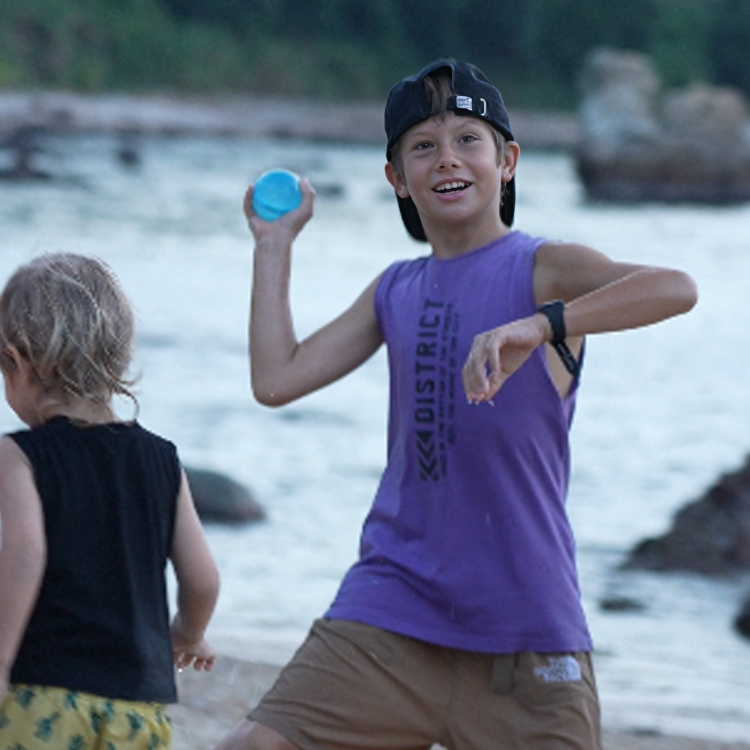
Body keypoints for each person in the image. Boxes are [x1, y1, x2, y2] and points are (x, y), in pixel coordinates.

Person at [216, 59, 698, 750]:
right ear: (397, 179)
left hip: (525, 631)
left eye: (468, 139)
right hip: (389, 613)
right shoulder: (394, 290)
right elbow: (276, 380)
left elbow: (675, 287)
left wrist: (540, 325)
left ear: (507, 161)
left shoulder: (542, 269)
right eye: (423, 146)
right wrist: (273, 247)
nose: (448, 158)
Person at [0, 253, 220, 749]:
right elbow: (203, 577)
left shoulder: (19, 456)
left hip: (44, 696)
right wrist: (187, 633)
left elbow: (23, 555)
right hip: (137, 711)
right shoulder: (163, 460)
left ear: (18, 363)